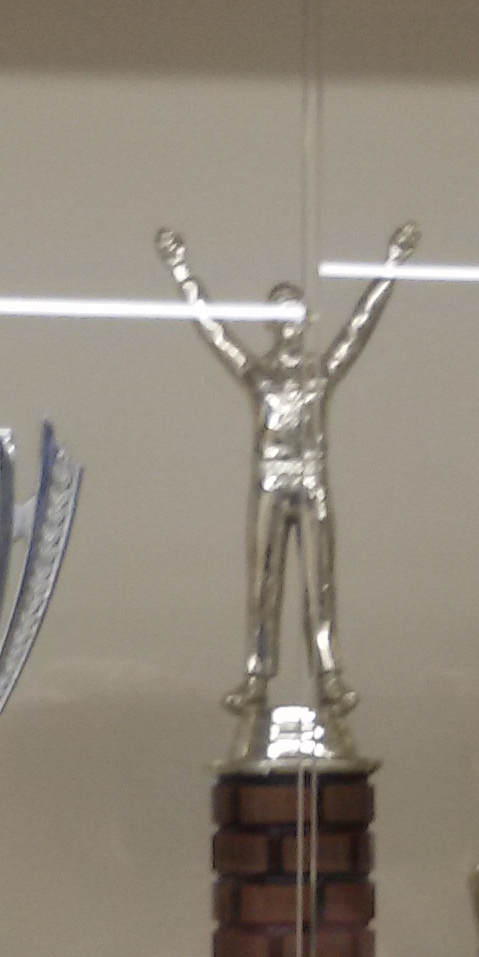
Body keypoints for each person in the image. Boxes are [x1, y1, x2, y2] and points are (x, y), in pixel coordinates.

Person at [161, 222, 416, 722]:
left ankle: (329, 676)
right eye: (279, 313)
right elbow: (212, 328)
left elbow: (360, 325)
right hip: (271, 481)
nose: (288, 321)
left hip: (311, 480)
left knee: (320, 583)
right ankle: (257, 678)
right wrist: (181, 271)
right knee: (263, 582)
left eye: (294, 312)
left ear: (303, 320)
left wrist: (392, 263)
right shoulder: (259, 373)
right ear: (271, 323)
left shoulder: (320, 372)